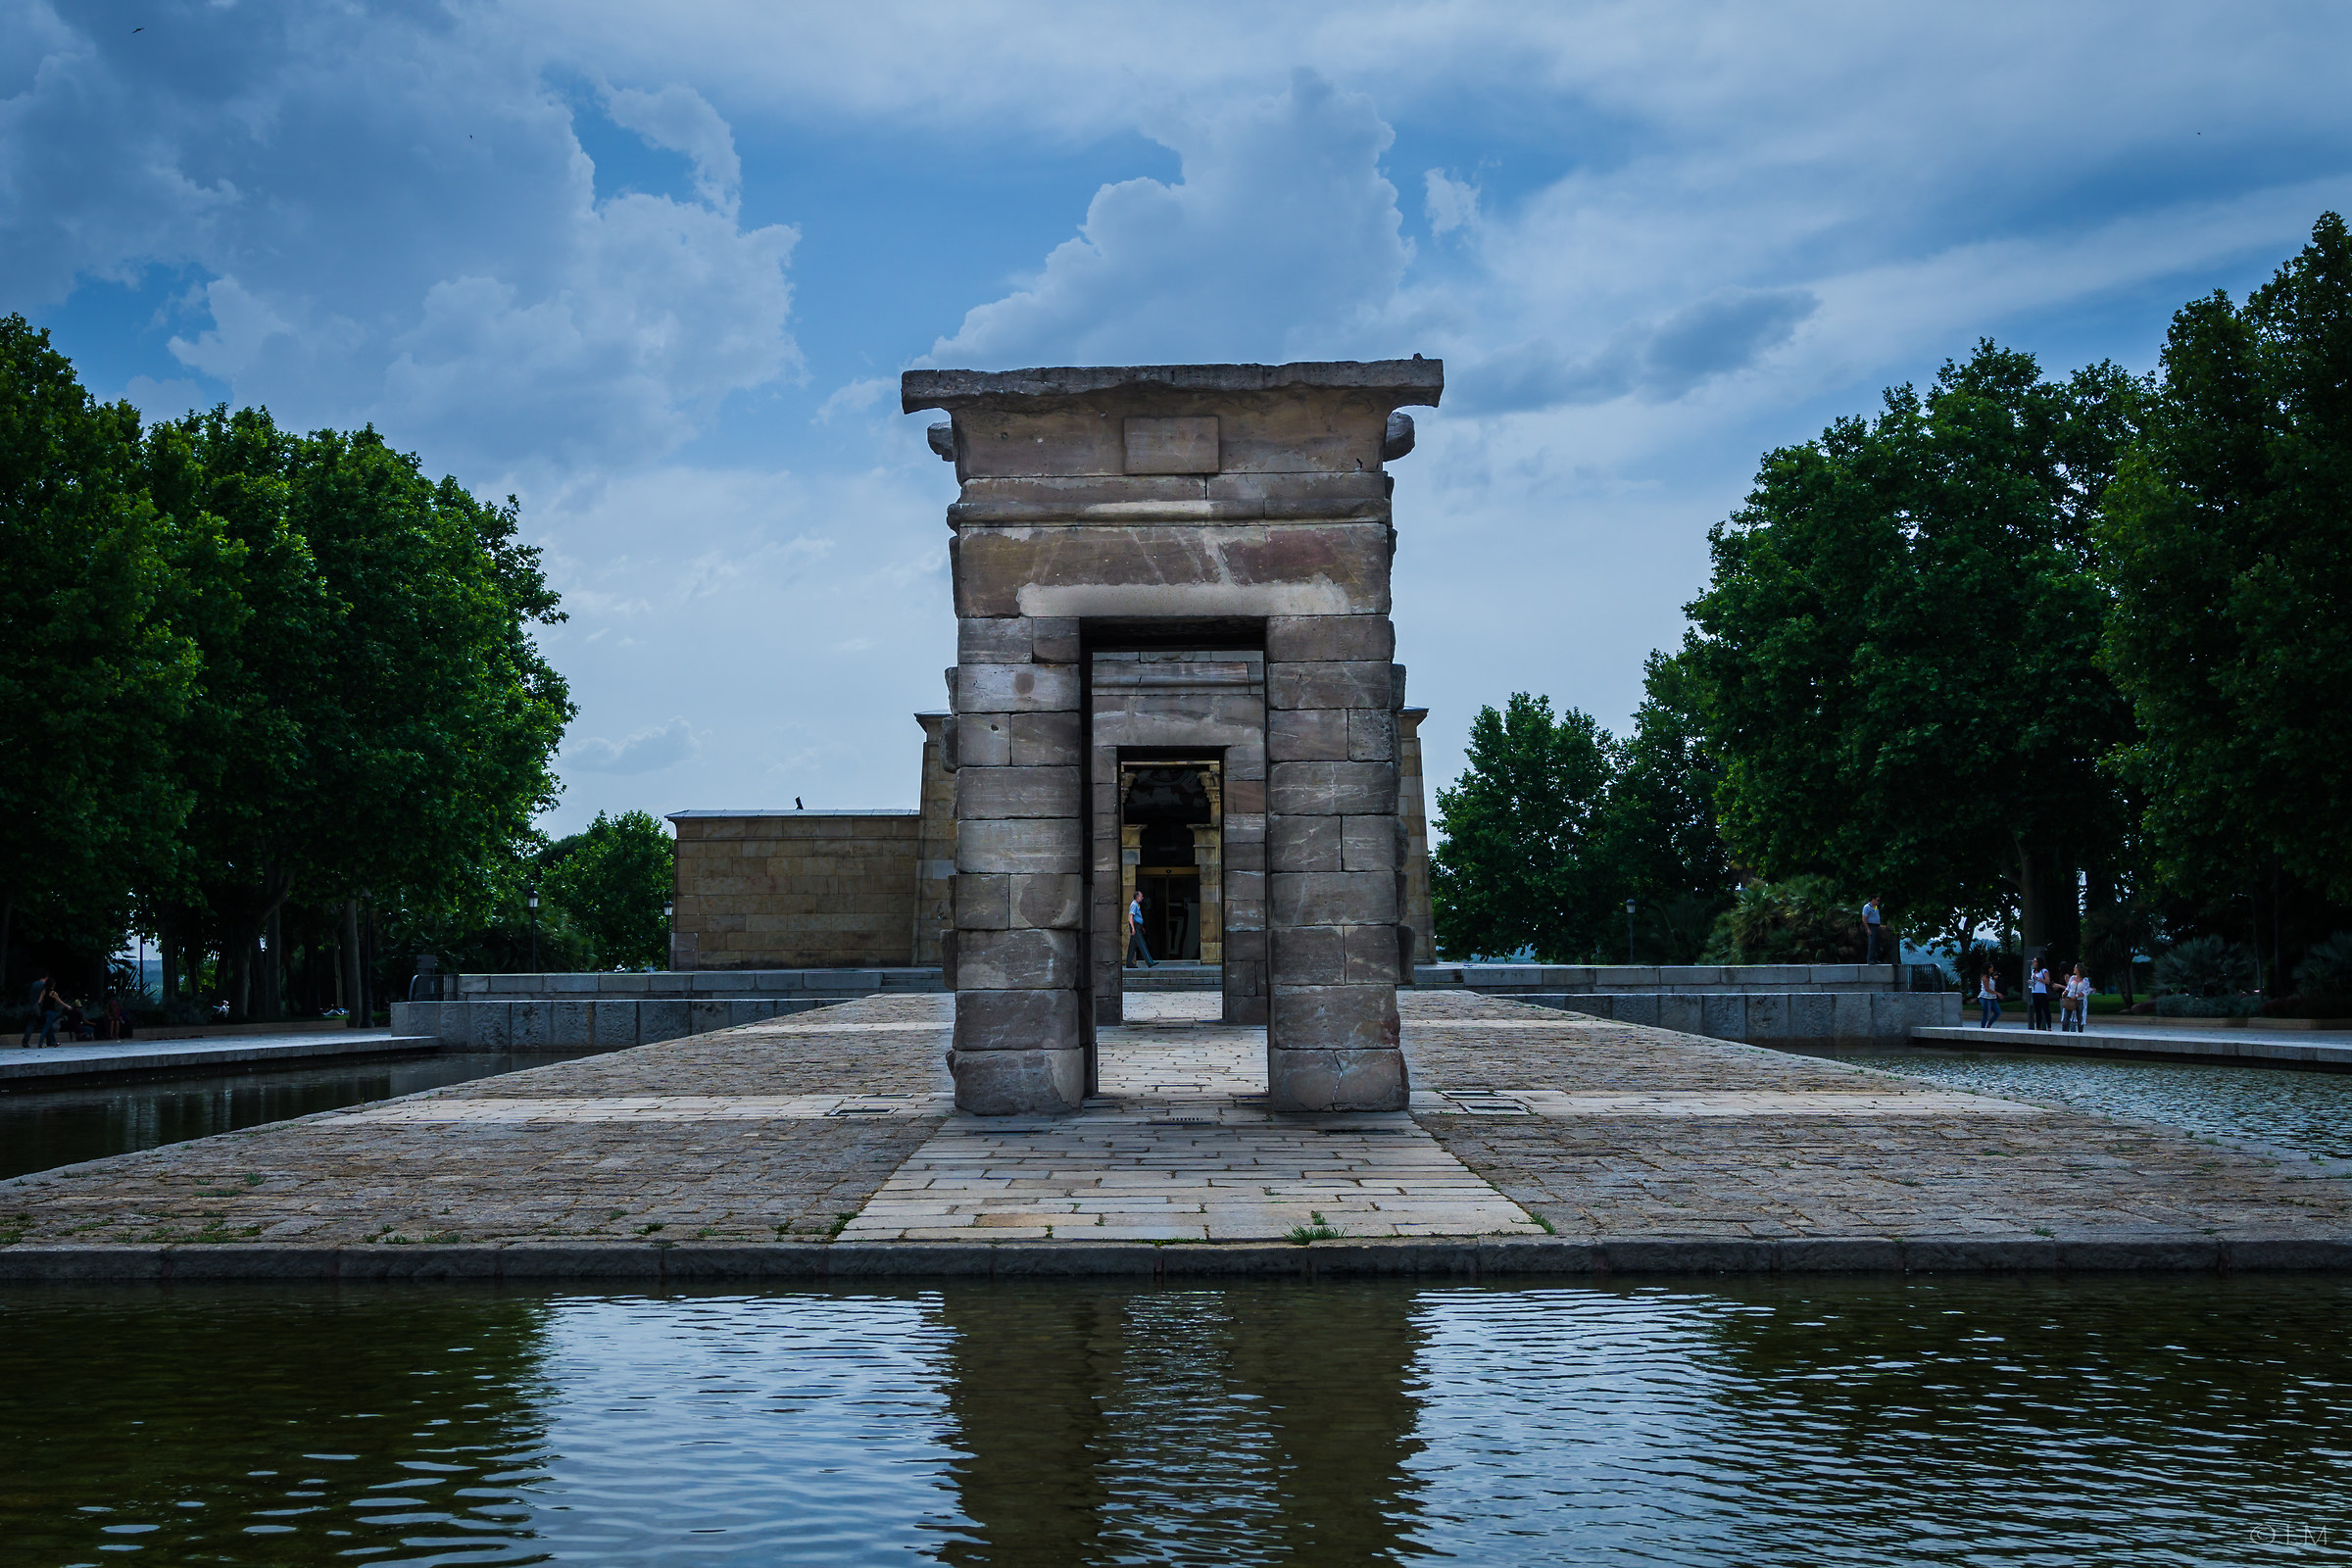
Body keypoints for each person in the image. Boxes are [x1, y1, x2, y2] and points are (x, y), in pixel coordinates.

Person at [1126, 888, 1156, 968]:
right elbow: (1131, 916)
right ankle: (1149, 962)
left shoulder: (1136, 905)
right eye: (1141, 896)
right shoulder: (1134, 905)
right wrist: (1133, 928)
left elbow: (1137, 917)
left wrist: (1142, 928)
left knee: (1132, 946)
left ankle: (1129, 963)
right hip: (1135, 926)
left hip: (1137, 926)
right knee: (1142, 944)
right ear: (1137, 897)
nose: (1142, 898)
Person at [19, 969, 49, 1046]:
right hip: (39, 1007)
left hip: (32, 1006)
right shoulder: (44, 986)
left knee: (31, 1024)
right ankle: (50, 1040)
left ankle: (25, 1041)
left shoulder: (34, 984)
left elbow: (29, 995)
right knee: (47, 1023)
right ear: (46, 977)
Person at [2061, 964, 2090, 1033]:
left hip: (2080, 1000)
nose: (2074, 969)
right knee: (2066, 1017)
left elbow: (2086, 991)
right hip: (2070, 999)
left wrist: (2077, 996)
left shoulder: (2085, 980)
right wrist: (2065, 992)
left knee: (2080, 1017)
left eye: (2075, 968)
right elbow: (2068, 987)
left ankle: (2080, 1032)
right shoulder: (2072, 978)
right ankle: (2064, 1032)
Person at [2028, 957, 2052, 1031]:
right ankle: (2038, 1026)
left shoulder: (2044, 971)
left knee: (2045, 1009)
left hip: (2042, 992)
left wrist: (2038, 979)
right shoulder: (2033, 971)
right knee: (2037, 1010)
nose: (2033, 962)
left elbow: (2047, 981)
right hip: (2035, 991)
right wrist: (2031, 982)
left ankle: (2049, 1026)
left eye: (2034, 961)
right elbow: (2034, 981)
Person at [1862, 896, 1885, 964]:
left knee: (1876, 943)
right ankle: (1870, 959)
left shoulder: (1876, 908)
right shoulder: (1867, 907)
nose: (1878, 902)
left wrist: (1880, 926)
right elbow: (1864, 918)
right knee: (1872, 943)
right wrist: (1868, 928)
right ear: (1873, 899)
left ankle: (1875, 959)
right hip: (1871, 926)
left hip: (1876, 926)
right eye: (1877, 900)